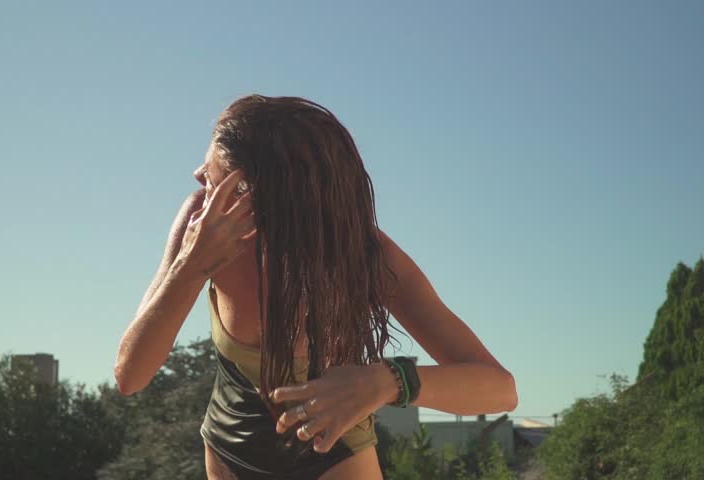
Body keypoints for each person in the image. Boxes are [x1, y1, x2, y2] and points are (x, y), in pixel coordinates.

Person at [114, 95, 518, 479]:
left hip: (334, 459)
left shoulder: (363, 256)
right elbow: (130, 374)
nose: (199, 177)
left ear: (258, 191)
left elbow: (500, 390)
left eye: (213, 172)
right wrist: (191, 266)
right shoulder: (200, 229)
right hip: (227, 449)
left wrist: (387, 381)